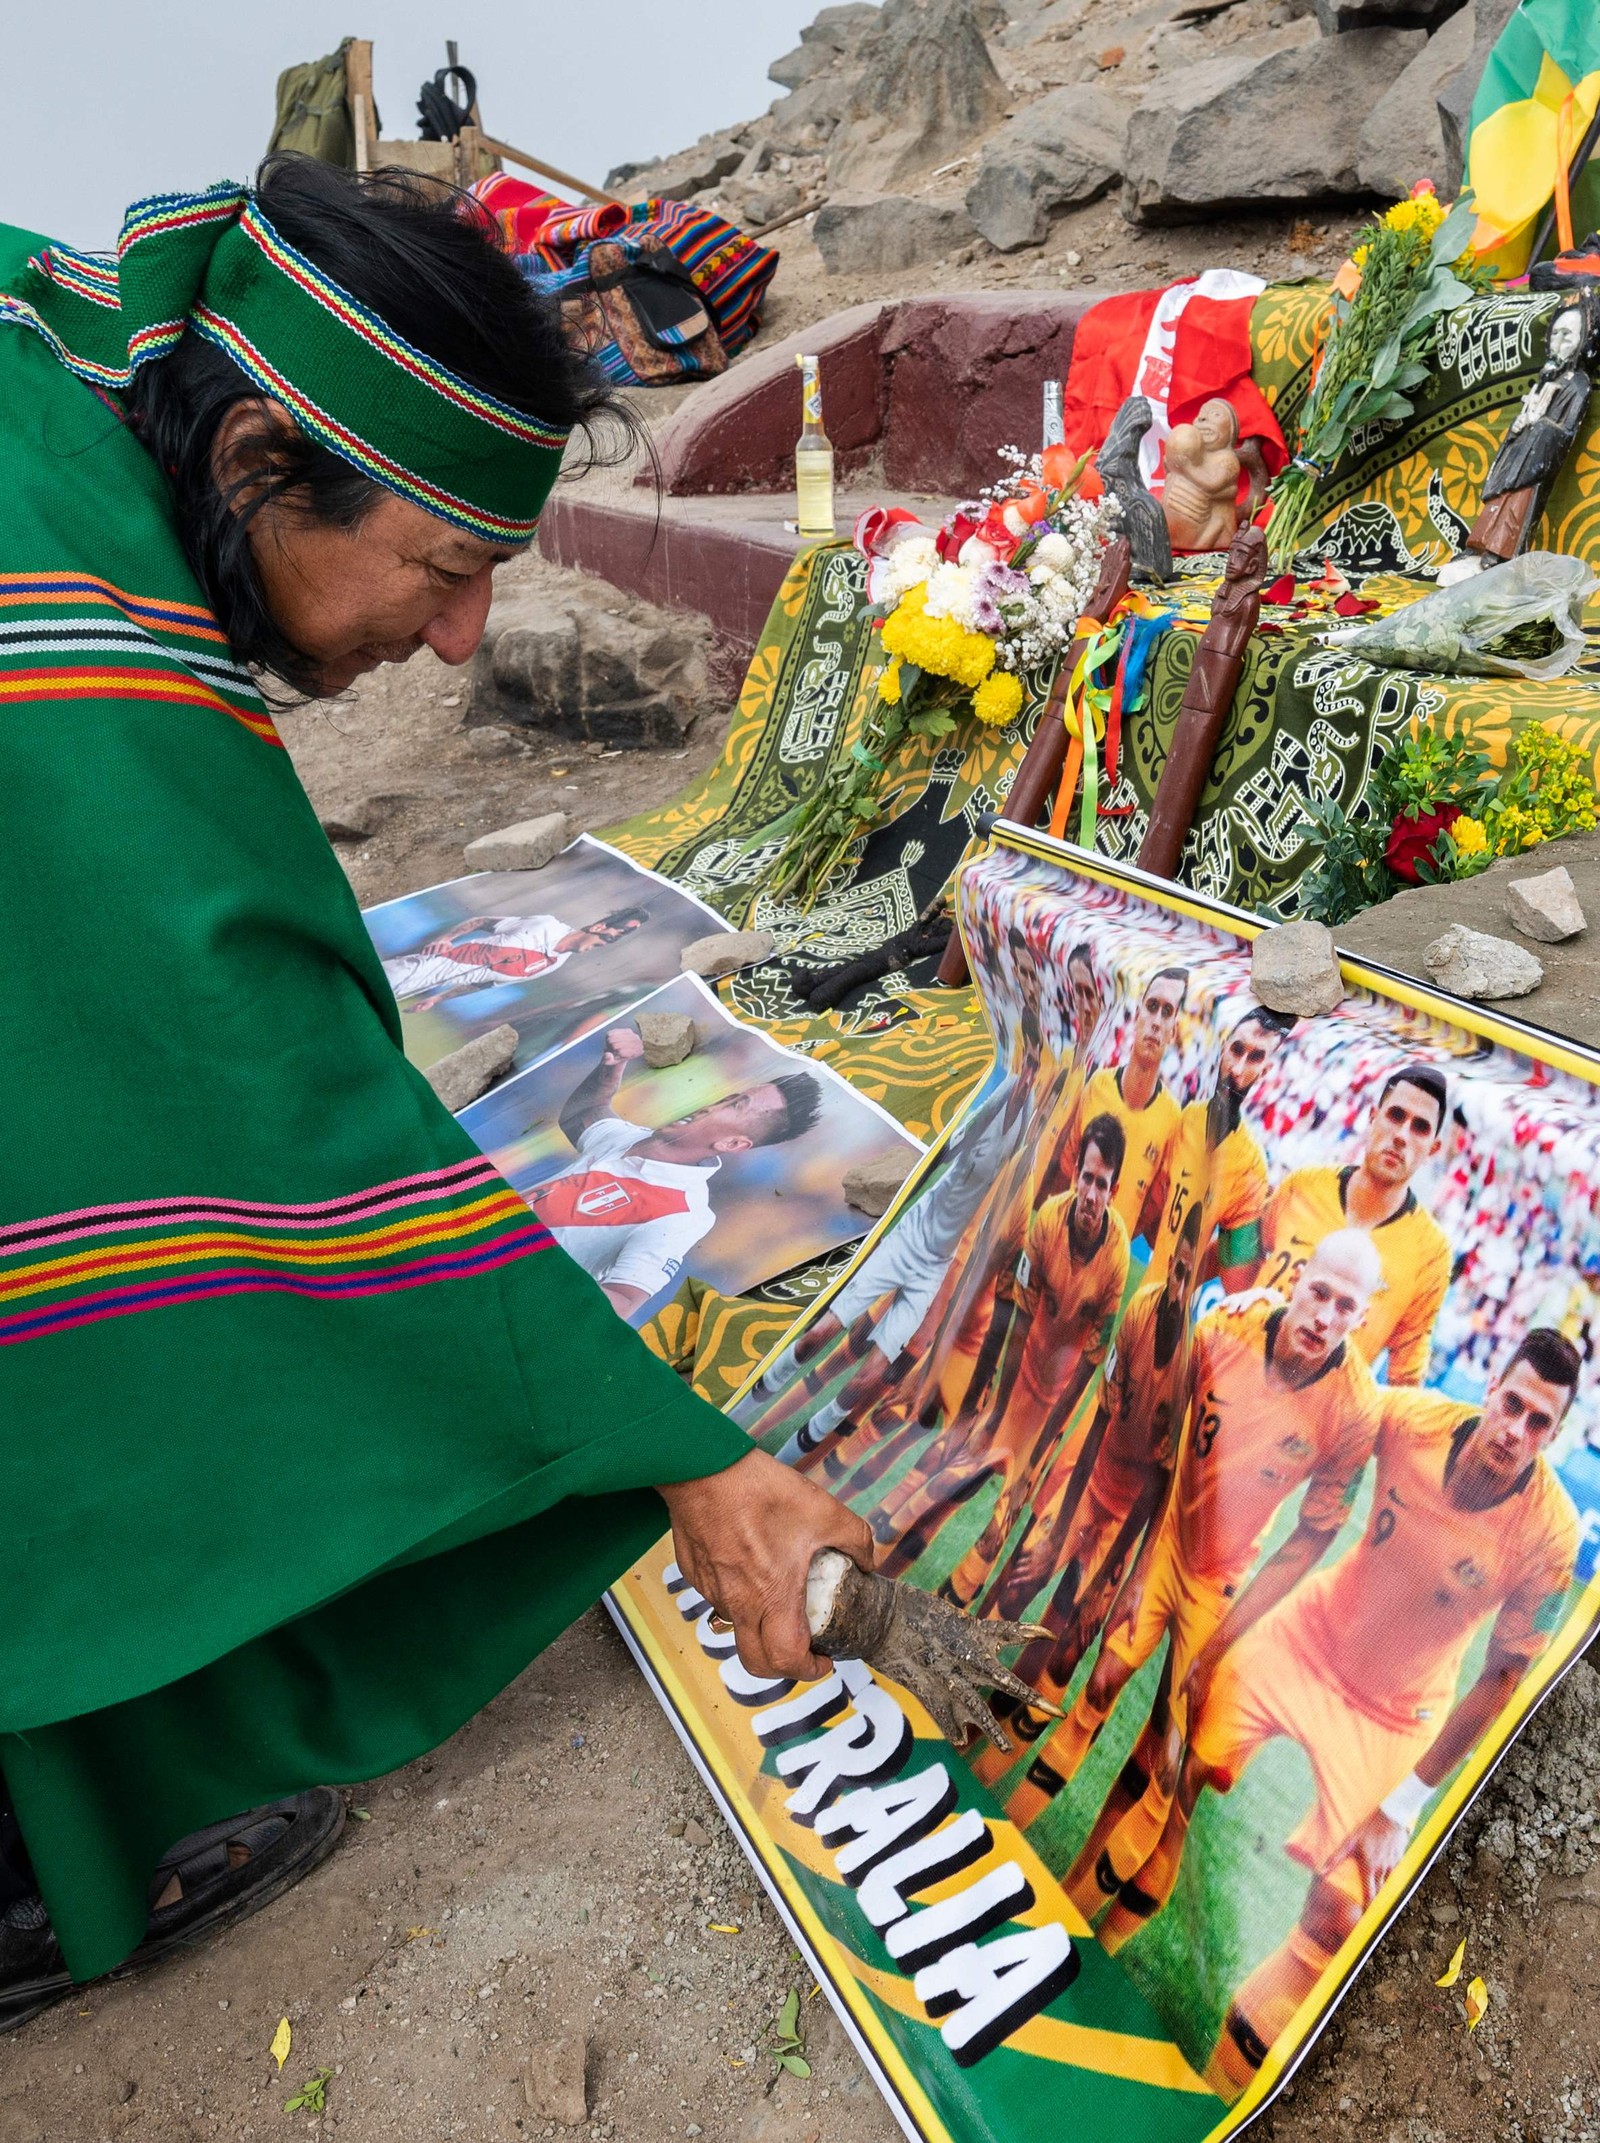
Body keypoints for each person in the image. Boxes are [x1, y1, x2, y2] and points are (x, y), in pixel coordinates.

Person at [0, 158, 871, 2029]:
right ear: (251, 464)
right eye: (447, 567)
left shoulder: (67, 407)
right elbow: (245, 1082)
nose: (465, 638)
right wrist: (682, 1454)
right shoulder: (65, 630)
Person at [1186, 1332, 1580, 2098]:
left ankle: (1206, 2099)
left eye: (1540, 1423)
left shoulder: (1551, 1533)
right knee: (1178, 1753)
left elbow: (1501, 1678)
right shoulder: (1408, 1418)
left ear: (1555, 1435)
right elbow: (1324, 1413)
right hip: (1310, 1639)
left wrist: (1404, 1806)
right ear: (1491, 1383)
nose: (1516, 1431)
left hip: (1398, 1714)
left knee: (1336, 1917)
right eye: (1513, 1404)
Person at [1013, 1235, 1383, 1870]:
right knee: (1100, 1678)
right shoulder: (1223, 1329)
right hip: (1166, 1543)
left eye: (1345, 1307)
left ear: (1363, 1316)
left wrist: (1220, 1645)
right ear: (1298, 1279)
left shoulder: (1354, 1412)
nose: (1325, 1317)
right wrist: (1134, 1564)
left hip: (1224, 1579)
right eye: (1319, 1293)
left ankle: (1078, 1891)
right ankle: (1009, 1829)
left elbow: (1310, 1541)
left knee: (1166, 1746)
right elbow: (1169, 1451)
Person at [971, 1199, 1205, 1791]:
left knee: (1065, 1640)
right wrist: (1062, 1523)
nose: (1179, 1282)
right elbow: (1102, 1418)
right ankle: (941, 1693)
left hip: (1129, 1513)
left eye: (1191, 1273)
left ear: (1202, 1277)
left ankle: (984, 1761)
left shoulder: (1195, 1366)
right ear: (1172, 1263)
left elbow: (1161, 1482)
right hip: (1089, 1473)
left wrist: (1115, 1575)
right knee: (1018, 1581)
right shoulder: (1140, 1314)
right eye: (1175, 1268)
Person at [872, 1113, 1130, 1586]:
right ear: (1075, 1175)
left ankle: (945, 1602)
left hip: (1046, 1408)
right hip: (1017, 1375)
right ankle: (879, 1540)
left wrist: (1039, 1451)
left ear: (1114, 1189)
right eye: (1088, 1179)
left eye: (1104, 1184)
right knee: (954, 1467)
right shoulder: (1047, 1221)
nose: (1092, 1195)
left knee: (997, 1524)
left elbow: (1086, 1371)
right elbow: (1012, 1320)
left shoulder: (1117, 1257)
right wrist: (986, 1411)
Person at [529, 1026, 822, 1320]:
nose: (711, 1105)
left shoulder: (683, 1213)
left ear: (731, 1143)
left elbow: (622, 1300)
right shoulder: (629, 1138)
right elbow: (582, 1113)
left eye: (734, 1106)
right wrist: (613, 1065)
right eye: (727, 1097)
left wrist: (527, 1278)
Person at [1253, 1063, 1451, 1385]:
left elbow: (1405, 1381)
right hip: (1236, 1381)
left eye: (1420, 1128)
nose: (1401, 1135)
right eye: (1396, 1116)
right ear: (1373, 1117)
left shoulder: (1430, 1254)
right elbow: (1242, 1253)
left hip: (1309, 1426)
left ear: (1433, 1148)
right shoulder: (1304, 1185)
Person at [1139, 1003, 1295, 1288]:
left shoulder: (1251, 1167)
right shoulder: (1187, 1120)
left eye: (1255, 1058)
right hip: (1137, 1306)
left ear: (1265, 1071)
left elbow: (1237, 1281)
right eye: (1237, 1050)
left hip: (1174, 1317)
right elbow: (1154, 1229)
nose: (1237, 1069)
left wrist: (1259, 1233)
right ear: (1223, 1048)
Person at [382, 905, 649, 1008]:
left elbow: (485, 983)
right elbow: (481, 920)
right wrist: (445, 938)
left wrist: (438, 998)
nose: (605, 944)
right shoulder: (546, 924)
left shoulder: (554, 964)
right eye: (609, 936)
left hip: (413, 989)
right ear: (599, 927)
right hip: (406, 971)